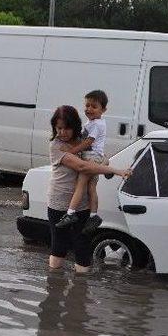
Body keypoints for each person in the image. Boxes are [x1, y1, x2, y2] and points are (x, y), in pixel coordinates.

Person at [47, 105, 131, 273]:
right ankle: (54, 285)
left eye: (67, 128)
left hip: (82, 204)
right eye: (59, 128)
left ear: (75, 126)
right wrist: (115, 171)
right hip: (59, 203)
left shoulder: (83, 141)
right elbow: (83, 167)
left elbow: (100, 156)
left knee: (82, 244)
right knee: (59, 245)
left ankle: (80, 290)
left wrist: (104, 164)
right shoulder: (56, 146)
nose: (62, 132)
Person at [54, 90, 109, 234]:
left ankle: (70, 213)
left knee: (80, 185)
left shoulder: (96, 125)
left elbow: (87, 142)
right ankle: (93, 215)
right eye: (87, 105)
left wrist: (70, 151)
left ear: (103, 109)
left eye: (94, 106)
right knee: (91, 187)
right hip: (96, 156)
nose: (89, 109)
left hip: (91, 156)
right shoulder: (94, 122)